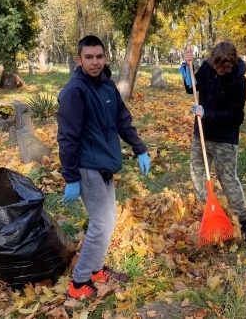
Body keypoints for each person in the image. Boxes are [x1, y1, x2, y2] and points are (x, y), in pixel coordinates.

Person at [57, 35, 151, 299]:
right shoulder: (75, 91)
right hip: (87, 167)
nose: (95, 62)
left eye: (99, 56)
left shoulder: (107, 85)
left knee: (108, 222)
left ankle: (96, 270)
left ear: (105, 57)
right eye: (89, 57)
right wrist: (71, 177)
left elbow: (123, 120)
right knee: (102, 223)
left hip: (106, 164)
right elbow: (67, 137)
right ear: (79, 59)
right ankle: (78, 283)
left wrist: (139, 148)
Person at [179, 43, 246, 242]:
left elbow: (235, 116)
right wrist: (187, 69)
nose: (219, 71)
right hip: (201, 135)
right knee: (197, 173)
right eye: (216, 67)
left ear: (231, 64)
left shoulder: (240, 82)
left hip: (224, 139)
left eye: (223, 68)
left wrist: (207, 114)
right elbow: (192, 88)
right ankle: (209, 212)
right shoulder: (207, 67)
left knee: (228, 179)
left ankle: (244, 219)